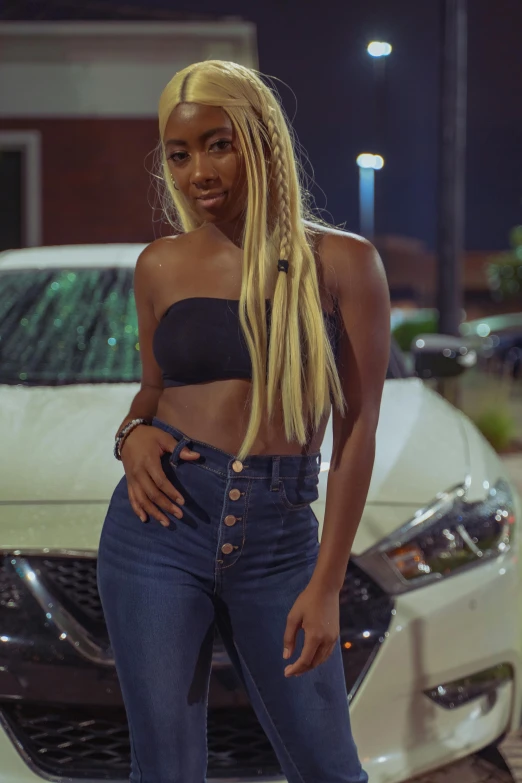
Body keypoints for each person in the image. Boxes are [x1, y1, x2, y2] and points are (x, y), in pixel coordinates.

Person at [97, 60, 390, 783]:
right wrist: (132, 436)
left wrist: (326, 585)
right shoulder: (159, 265)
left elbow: (357, 433)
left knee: (328, 766)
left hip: (280, 541)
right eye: (179, 152)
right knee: (164, 771)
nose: (199, 169)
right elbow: (150, 391)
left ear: (260, 139)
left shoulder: (342, 263)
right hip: (157, 531)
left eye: (218, 143)